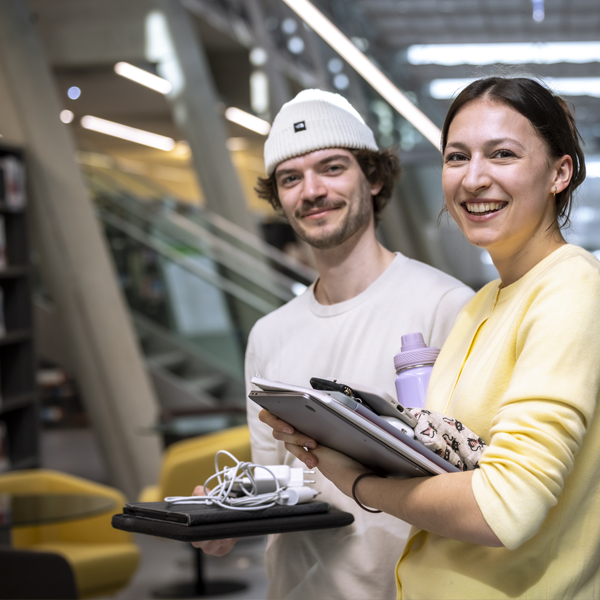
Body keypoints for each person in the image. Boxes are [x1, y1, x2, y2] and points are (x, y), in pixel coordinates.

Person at [263, 76, 600, 599]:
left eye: (503, 154)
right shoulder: (483, 304)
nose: (473, 179)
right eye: (457, 157)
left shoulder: (572, 288)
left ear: (560, 172)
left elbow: (504, 508)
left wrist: (356, 481)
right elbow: (449, 457)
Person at [193, 89, 474, 599]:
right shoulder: (269, 333)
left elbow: (471, 481)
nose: (312, 190)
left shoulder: (446, 306)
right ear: (279, 199)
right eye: (290, 178)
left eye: (331, 167)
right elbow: (274, 474)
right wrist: (227, 515)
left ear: (374, 177)